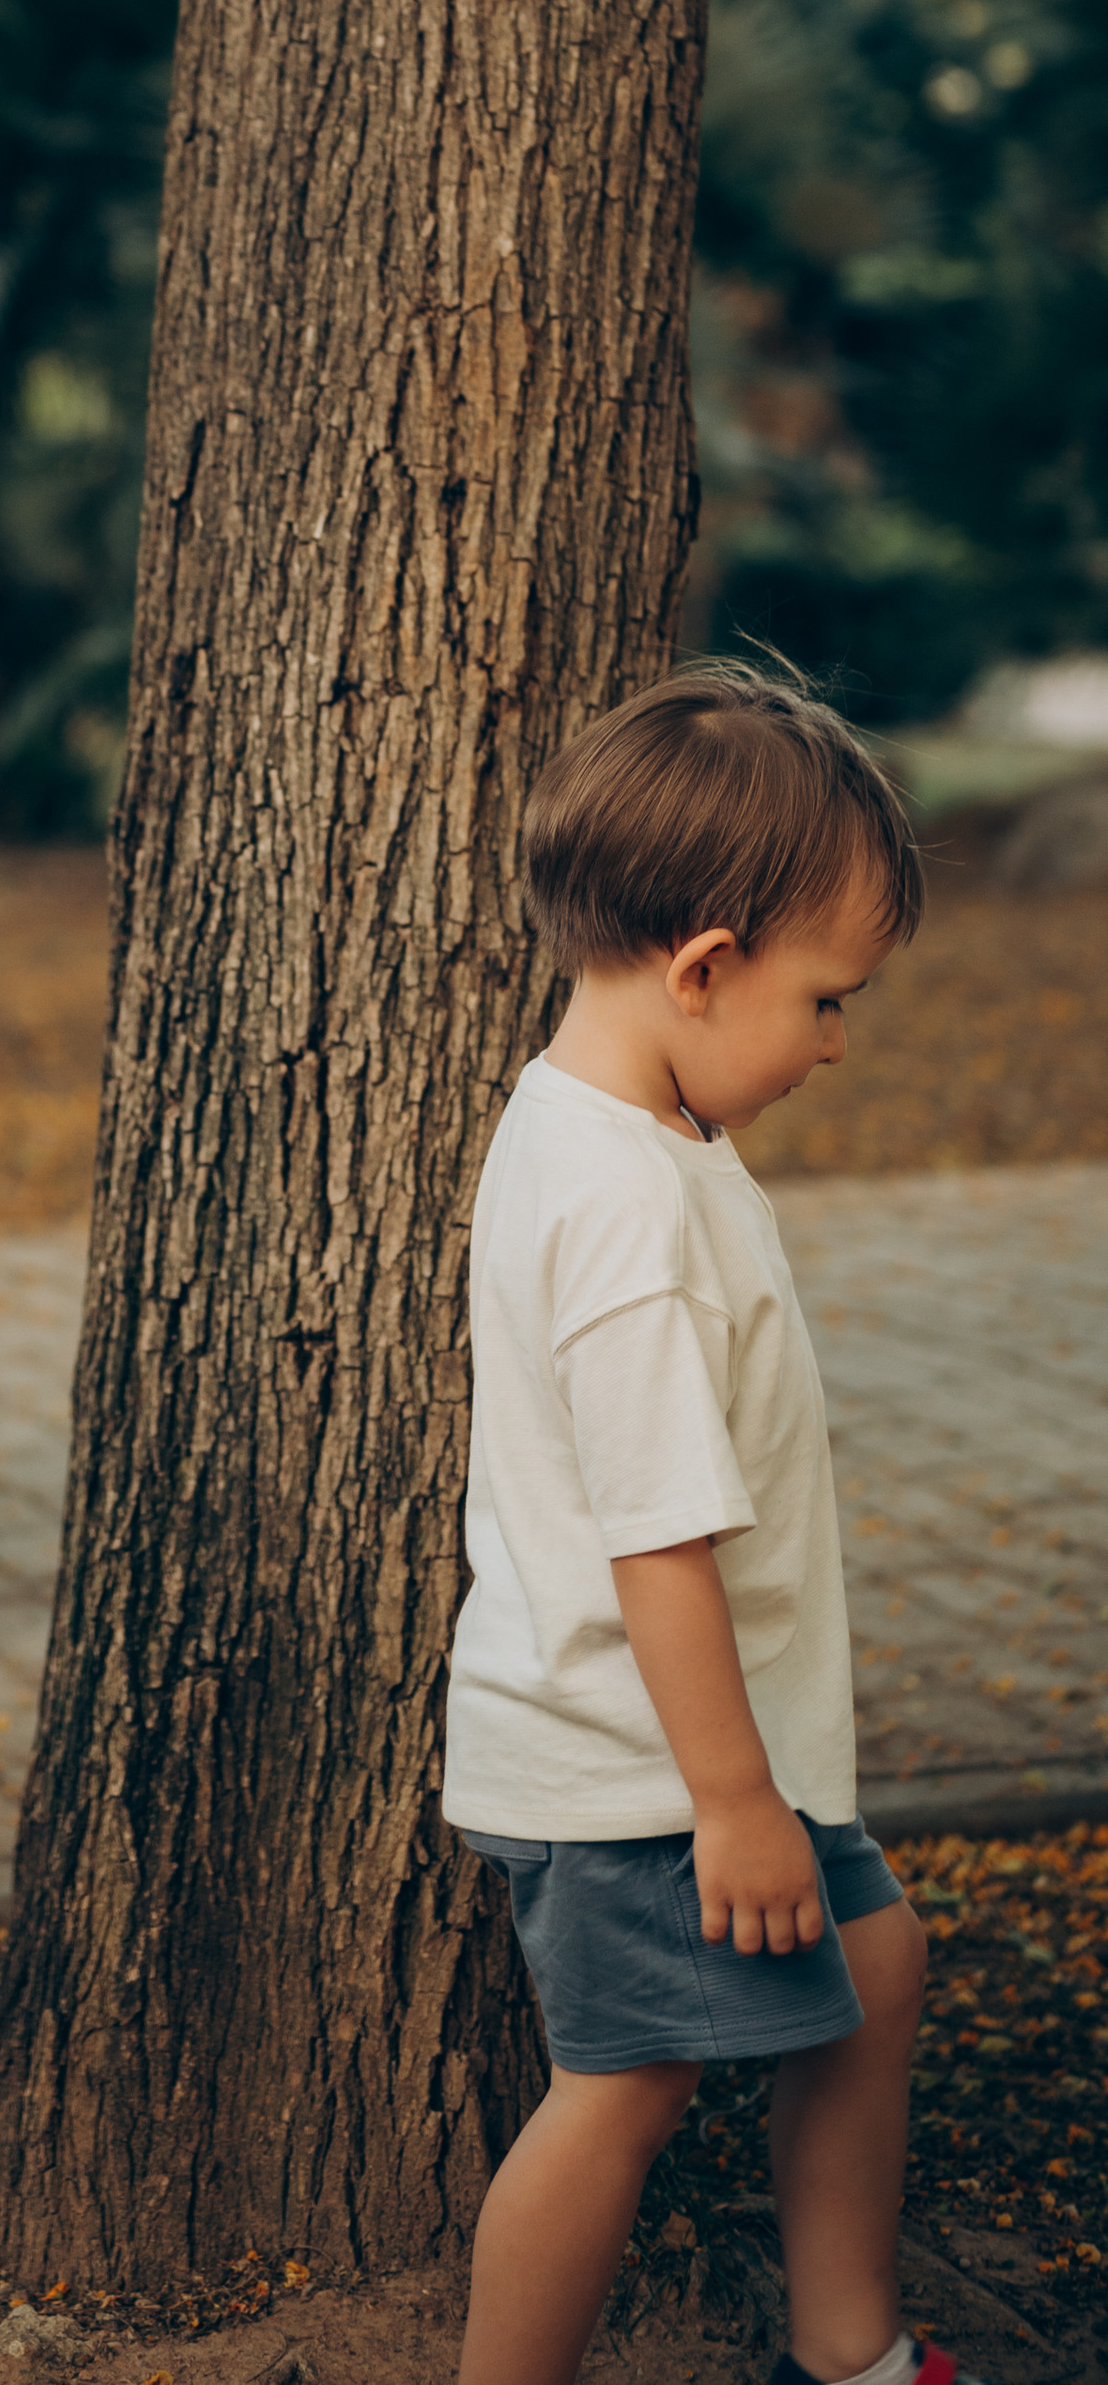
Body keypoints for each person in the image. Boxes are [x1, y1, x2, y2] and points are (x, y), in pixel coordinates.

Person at [443, 662, 986, 2385]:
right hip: (650, 1775)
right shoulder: (622, 1210)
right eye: (831, 999)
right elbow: (655, 1541)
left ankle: (849, 2349)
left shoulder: (633, 1129)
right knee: (630, 2091)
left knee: (876, 1960)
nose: (835, 1041)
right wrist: (734, 1806)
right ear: (704, 967)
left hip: (707, 1756)